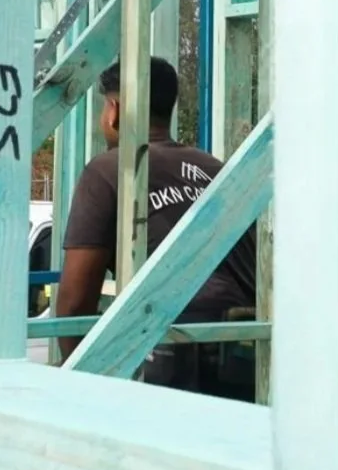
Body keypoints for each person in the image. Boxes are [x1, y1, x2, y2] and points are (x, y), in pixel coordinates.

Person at [54, 57, 258, 401]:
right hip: (247, 349)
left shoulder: (108, 171)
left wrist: (82, 387)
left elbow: (75, 305)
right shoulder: (217, 169)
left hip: (173, 352)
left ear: (114, 110)